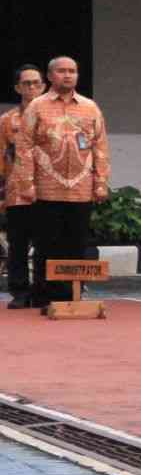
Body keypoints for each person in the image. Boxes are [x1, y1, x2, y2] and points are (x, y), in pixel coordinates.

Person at [13, 57, 111, 311]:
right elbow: (24, 147)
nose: (68, 75)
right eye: (62, 71)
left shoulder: (90, 108)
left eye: (72, 71)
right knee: (47, 245)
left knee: (76, 245)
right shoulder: (37, 106)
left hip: (81, 190)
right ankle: (46, 298)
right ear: (50, 76)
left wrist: (101, 182)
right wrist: (27, 183)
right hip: (47, 189)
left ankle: (71, 296)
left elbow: (100, 146)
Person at [3, 64, 45, 309]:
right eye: (26, 83)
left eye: (36, 83)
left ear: (43, 86)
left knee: (45, 243)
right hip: (17, 190)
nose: (31, 87)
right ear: (18, 87)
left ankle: (42, 290)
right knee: (17, 243)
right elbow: (1, 158)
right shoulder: (7, 121)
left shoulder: (55, 117)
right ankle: (19, 292)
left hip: (48, 190)